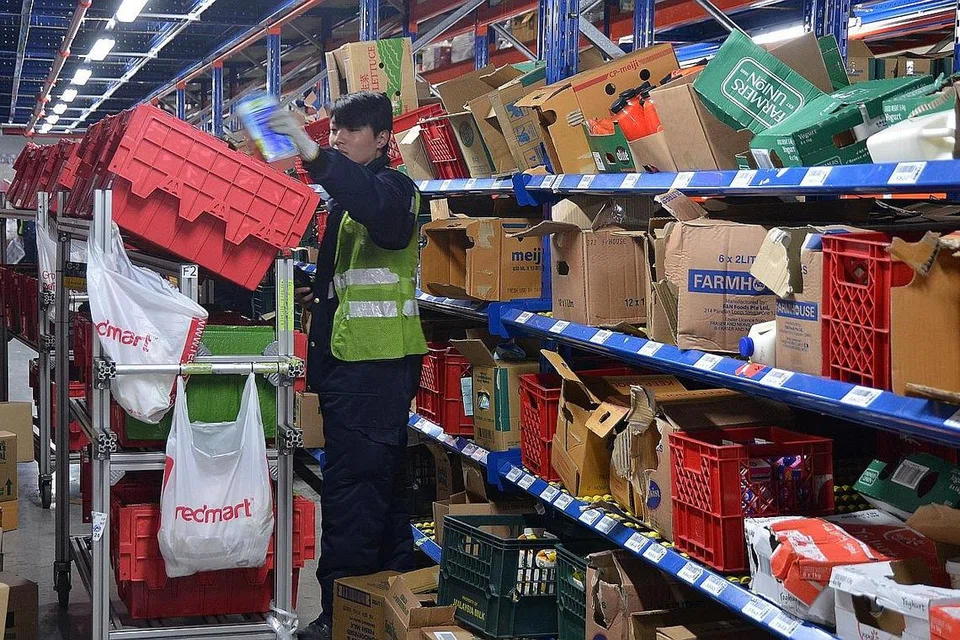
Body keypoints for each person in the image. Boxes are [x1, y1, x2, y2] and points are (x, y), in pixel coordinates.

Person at [271, 92, 427, 640]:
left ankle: (341, 617)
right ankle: (386, 606)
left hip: (374, 366)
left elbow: (375, 209)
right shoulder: (346, 198)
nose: (336, 140)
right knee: (378, 492)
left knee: (352, 493)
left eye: (347, 132)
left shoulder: (395, 191)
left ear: (383, 138)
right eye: (332, 132)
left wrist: (315, 156)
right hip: (354, 364)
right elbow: (350, 276)